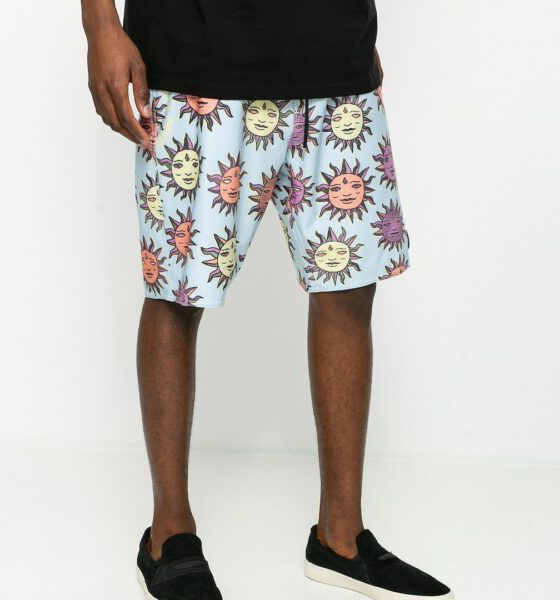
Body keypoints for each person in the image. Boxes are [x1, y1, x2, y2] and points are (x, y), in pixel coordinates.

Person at [81, 1, 453, 598]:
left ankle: (341, 538)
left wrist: (352, 40)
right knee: (177, 290)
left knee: (349, 285)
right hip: (193, 63)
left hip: (336, 64)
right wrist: (100, 23)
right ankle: (169, 534)